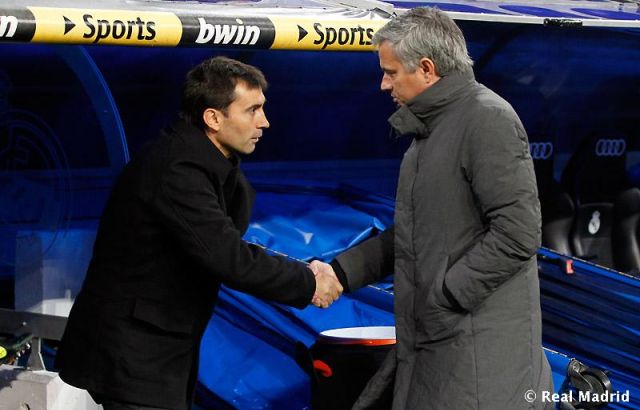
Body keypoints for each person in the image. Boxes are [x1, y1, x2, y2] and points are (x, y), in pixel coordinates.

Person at [55, 56, 343, 410]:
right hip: (132, 356)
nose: (264, 122)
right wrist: (309, 282)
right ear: (213, 118)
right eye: (252, 110)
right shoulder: (177, 169)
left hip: (158, 353)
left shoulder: (208, 162)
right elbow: (228, 256)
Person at [314, 7, 553, 410]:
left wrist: (446, 294)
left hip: (476, 357)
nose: (383, 84)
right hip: (441, 344)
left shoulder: (487, 119)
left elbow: (518, 232)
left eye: (390, 72)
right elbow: (414, 232)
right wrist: (341, 272)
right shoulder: (431, 130)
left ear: (426, 68)